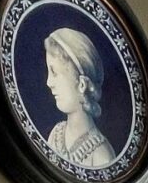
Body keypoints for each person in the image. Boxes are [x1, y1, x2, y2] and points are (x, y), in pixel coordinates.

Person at [42, 27, 114, 168]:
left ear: (82, 84)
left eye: (54, 72)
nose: (48, 82)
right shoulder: (56, 134)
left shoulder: (102, 156)